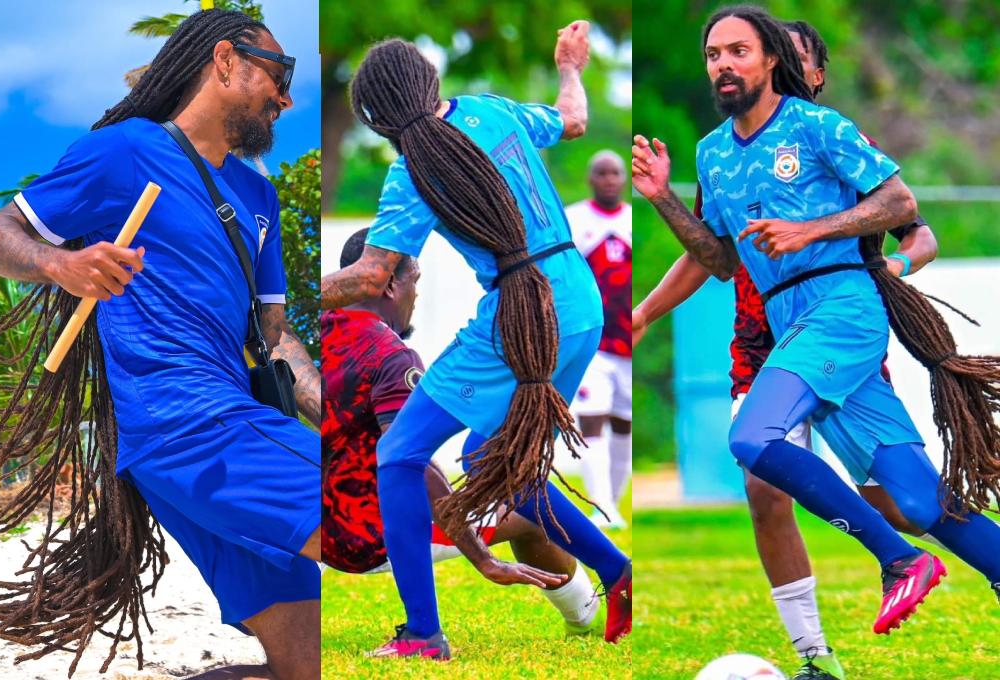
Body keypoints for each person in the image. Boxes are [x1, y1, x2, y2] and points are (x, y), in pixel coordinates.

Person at [631, 4, 1000, 640]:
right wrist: (663, 198)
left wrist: (812, 229)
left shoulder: (817, 126)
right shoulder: (712, 153)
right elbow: (719, 259)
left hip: (840, 307)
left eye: (738, 51)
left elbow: (902, 204)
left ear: (771, 58)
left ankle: (901, 561)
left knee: (752, 439)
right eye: (714, 55)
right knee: (916, 499)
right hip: (788, 318)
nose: (723, 65)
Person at [0, 10, 321, 679]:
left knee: (300, 670)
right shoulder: (125, 151)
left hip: (217, 433)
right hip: (192, 426)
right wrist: (60, 265)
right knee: (358, 510)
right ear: (225, 60)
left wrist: (339, 408)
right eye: (278, 75)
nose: (285, 97)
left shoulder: (258, 197)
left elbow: (275, 339)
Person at [320, 23, 632, 659]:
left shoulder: (412, 170)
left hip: (519, 312)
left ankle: (424, 635)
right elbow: (572, 120)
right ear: (428, 81)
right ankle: (615, 570)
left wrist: (291, 293)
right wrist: (570, 65)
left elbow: (373, 275)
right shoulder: (493, 110)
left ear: (377, 114)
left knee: (400, 455)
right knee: (503, 464)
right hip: (578, 301)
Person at [322, 228, 601, 637]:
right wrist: (483, 558)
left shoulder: (323, 326)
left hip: (312, 524)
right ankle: (587, 618)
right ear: (389, 284)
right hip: (363, 535)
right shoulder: (391, 356)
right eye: (415, 280)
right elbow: (411, 465)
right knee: (523, 503)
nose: (416, 296)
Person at [566, 150, 633, 530]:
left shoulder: (630, 221)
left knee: (623, 426)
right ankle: (602, 508)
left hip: (629, 342)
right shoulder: (575, 220)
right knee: (591, 421)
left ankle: (614, 504)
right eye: (602, 173)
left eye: (615, 173)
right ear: (592, 179)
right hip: (592, 345)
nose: (609, 179)